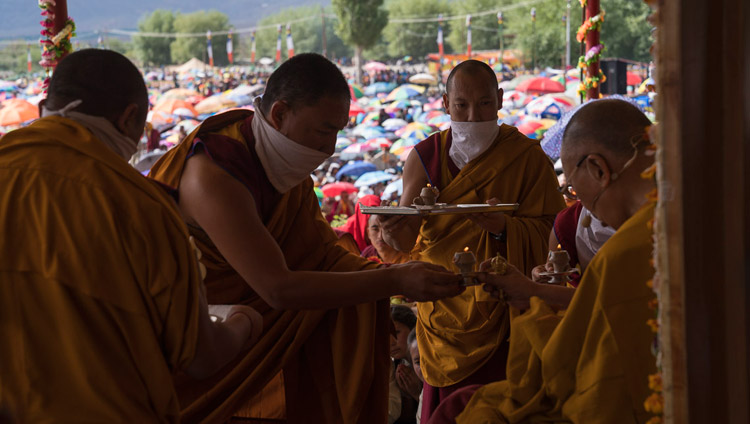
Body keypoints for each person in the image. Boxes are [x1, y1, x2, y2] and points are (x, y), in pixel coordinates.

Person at [149, 53, 464, 423]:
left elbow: (322, 257)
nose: (330, 147)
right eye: (322, 130)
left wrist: (397, 271)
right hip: (198, 349)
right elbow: (278, 289)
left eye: (337, 132)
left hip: (255, 351)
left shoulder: (283, 167)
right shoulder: (213, 173)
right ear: (280, 114)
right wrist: (392, 279)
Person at [0, 49, 261, 422]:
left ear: (45, 106)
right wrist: (245, 322)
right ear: (131, 118)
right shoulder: (142, 209)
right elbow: (201, 357)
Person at [378, 60, 565, 421]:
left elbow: (552, 236)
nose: (473, 114)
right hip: (442, 311)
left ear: (500, 99)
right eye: (461, 105)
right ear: (445, 104)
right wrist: (388, 226)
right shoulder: (423, 157)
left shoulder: (527, 157)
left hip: (505, 310)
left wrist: (504, 229)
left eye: (483, 103)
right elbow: (404, 238)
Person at [458, 99, 658, 423]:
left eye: (579, 192)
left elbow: (576, 373)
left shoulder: (624, 252)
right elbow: (600, 304)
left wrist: (533, 313)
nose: (588, 211)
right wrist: (531, 291)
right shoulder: (701, 202)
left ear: (598, 169)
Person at [389, 306, 422, 424]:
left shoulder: (427, 364)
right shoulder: (397, 367)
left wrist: (416, 393)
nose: (390, 342)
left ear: (414, 328)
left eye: (396, 332)